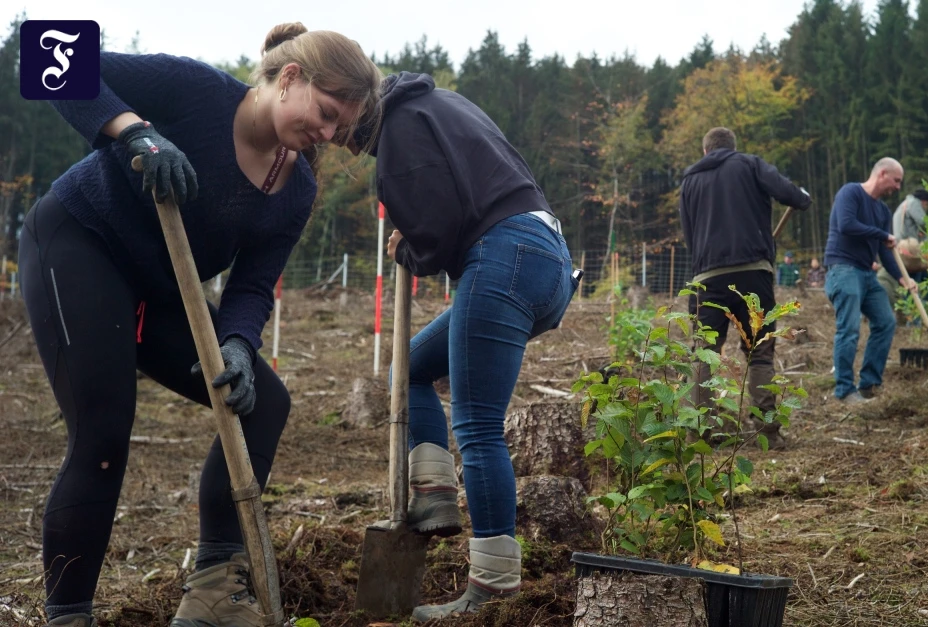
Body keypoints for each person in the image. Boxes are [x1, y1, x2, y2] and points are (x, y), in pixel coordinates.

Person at [19, 25, 380, 627]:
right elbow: (47, 58)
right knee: (104, 431)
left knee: (264, 402)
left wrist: (237, 343)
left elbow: (252, 285)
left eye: (338, 129)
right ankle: (67, 616)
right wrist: (135, 131)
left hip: (159, 292)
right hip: (79, 245)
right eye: (325, 114)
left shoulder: (295, 189)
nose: (327, 135)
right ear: (289, 78)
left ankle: (213, 586)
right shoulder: (198, 91)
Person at [352, 71, 577, 622]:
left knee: (476, 425)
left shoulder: (400, 125)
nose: (340, 137)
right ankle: (433, 493)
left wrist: (414, 246)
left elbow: (437, 228)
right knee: (407, 369)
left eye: (341, 127)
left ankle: (494, 586)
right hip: (546, 257)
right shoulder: (444, 104)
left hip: (505, 254)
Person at [678, 127, 811, 447]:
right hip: (752, 273)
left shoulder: (689, 182)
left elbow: (688, 235)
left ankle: (700, 431)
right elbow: (793, 197)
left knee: (703, 354)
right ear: (732, 147)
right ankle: (767, 431)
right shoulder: (749, 165)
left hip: (706, 279)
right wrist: (803, 196)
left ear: (706, 151)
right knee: (759, 351)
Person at [824, 157, 917, 404]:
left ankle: (869, 385)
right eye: (896, 181)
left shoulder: (882, 211)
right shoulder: (850, 192)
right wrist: (883, 234)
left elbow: (885, 251)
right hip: (843, 269)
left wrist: (901, 278)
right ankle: (845, 390)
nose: (898, 187)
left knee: (886, 322)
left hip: (866, 274)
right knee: (850, 328)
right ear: (883, 173)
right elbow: (847, 225)